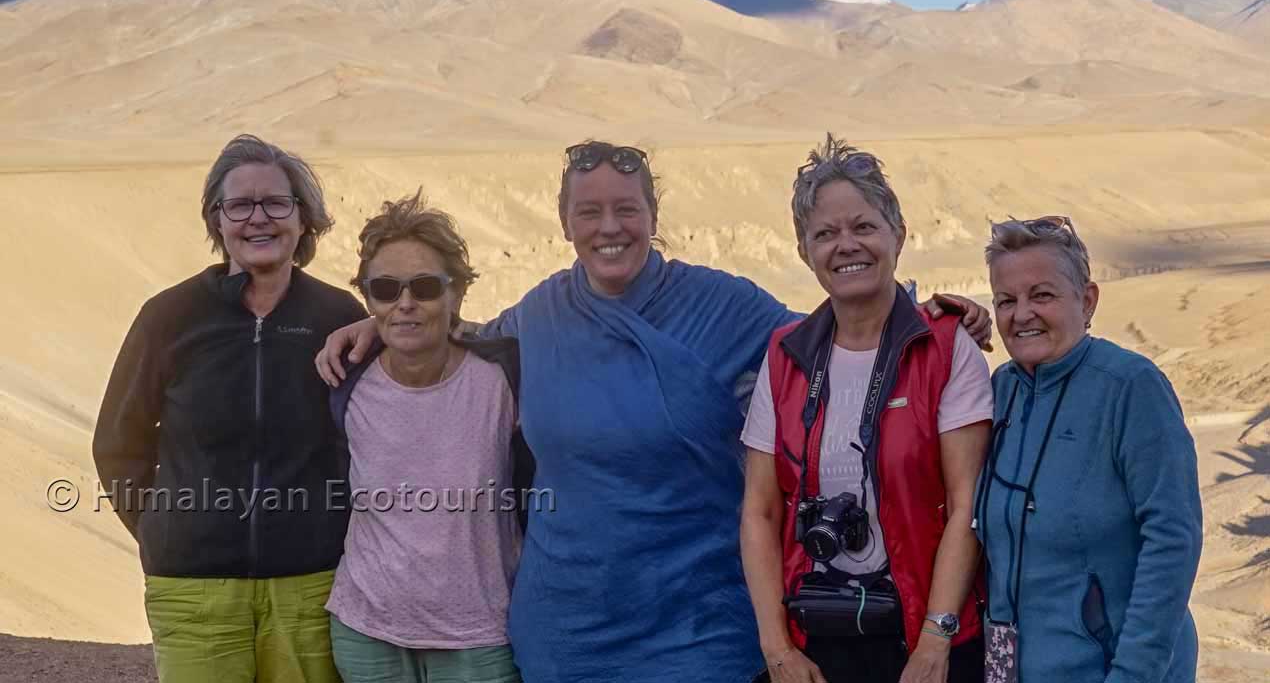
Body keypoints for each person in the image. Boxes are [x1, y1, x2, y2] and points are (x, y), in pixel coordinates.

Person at [316, 140, 992, 683]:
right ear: (565, 224)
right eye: (590, 212)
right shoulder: (539, 315)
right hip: (566, 628)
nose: (609, 227)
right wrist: (375, 325)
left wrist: (924, 311)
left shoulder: (723, 305)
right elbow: (457, 336)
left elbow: (842, 328)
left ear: (653, 217)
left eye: (627, 209)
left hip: (697, 627)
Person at [92, 135, 367, 683]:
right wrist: (162, 530)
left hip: (312, 586)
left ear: (302, 217)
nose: (257, 219)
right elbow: (118, 444)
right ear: (217, 220)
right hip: (193, 591)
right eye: (238, 205)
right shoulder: (169, 316)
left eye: (275, 203)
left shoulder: (337, 315)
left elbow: (368, 438)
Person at [740, 137, 991, 683]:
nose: (846, 245)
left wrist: (934, 640)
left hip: (928, 646)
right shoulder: (787, 356)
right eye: (825, 234)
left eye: (863, 227)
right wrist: (777, 650)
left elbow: (966, 502)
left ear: (897, 235)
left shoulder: (945, 348)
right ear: (805, 252)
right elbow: (760, 511)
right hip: (817, 642)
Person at [976, 216, 1202, 683]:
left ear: (1088, 299)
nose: (1021, 314)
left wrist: (1133, 675)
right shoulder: (1000, 392)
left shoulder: (1131, 387)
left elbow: (1173, 540)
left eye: (1042, 295)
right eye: (1005, 301)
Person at [325, 191, 530, 683]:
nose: (406, 303)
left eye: (424, 286)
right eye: (386, 289)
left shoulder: (505, 377)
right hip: (366, 631)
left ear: (456, 292)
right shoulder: (345, 382)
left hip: (479, 638)